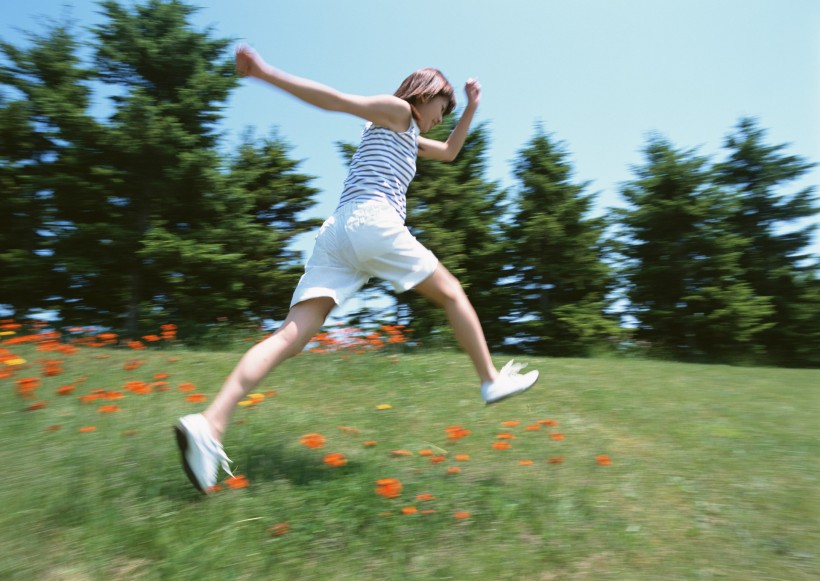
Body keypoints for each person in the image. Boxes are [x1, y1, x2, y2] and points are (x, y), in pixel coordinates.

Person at [174, 45, 538, 494]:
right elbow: (334, 100)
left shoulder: (404, 132)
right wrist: (266, 73)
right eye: (442, 108)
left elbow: (448, 152)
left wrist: (473, 108)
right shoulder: (398, 111)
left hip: (337, 236)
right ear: (421, 95)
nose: (442, 118)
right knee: (452, 293)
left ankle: (209, 425)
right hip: (372, 221)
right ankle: (489, 381)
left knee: (289, 337)